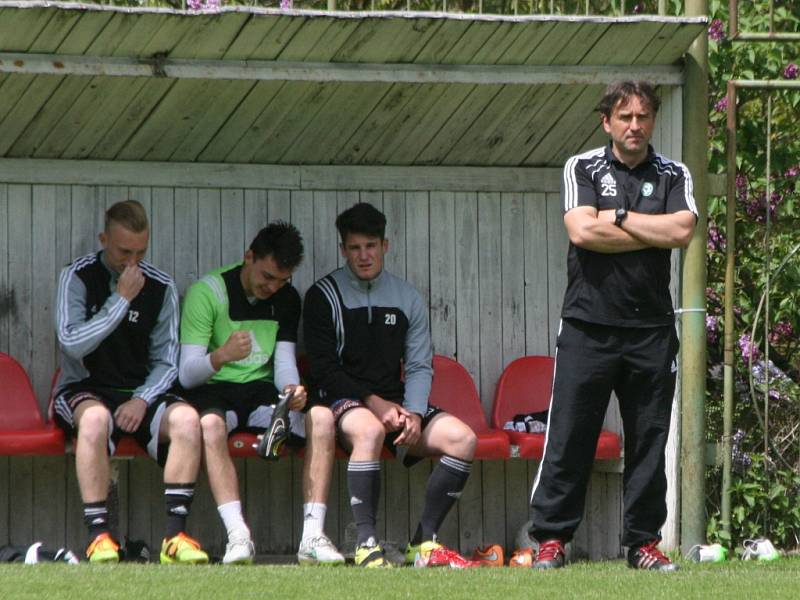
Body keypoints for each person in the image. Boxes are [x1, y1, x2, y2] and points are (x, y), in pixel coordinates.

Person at [528, 81, 697, 572]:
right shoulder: (582, 167)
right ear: (607, 122)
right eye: (624, 117)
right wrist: (649, 229)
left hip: (651, 332)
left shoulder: (672, 173)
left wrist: (618, 218)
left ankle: (642, 544)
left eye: (643, 117)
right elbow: (582, 230)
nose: (634, 126)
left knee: (649, 439)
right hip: (588, 327)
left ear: (652, 122)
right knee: (570, 436)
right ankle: (552, 540)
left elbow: (682, 230)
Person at [303, 202, 479, 569]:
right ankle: (367, 544)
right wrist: (373, 403)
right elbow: (323, 370)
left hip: (396, 403)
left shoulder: (407, 297)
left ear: (386, 245)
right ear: (343, 250)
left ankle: (423, 544)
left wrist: (413, 412)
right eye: (354, 248)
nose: (363, 256)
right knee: (368, 429)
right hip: (342, 400)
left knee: (463, 439)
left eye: (371, 246)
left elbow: (418, 364)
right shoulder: (323, 295)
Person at [178, 221, 343, 566]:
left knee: (323, 417)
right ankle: (238, 537)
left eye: (282, 280)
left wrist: (291, 390)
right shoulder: (207, 293)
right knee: (210, 425)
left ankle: (312, 536)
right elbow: (187, 374)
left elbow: (283, 362)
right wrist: (221, 356)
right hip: (215, 388)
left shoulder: (286, 298)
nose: (272, 287)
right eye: (267, 276)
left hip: (261, 391)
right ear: (248, 257)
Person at [53, 200, 208, 565]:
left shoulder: (161, 285)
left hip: (140, 392)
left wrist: (142, 399)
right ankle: (98, 537)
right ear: (104, 239)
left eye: (140, 251)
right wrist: (120, 300)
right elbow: (72, 343)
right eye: (124, 251)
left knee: (188, 420)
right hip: (85, 388)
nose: (132, 261)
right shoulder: (76, 276)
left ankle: (174, 536)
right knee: (93, 420)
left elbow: (168, 361)